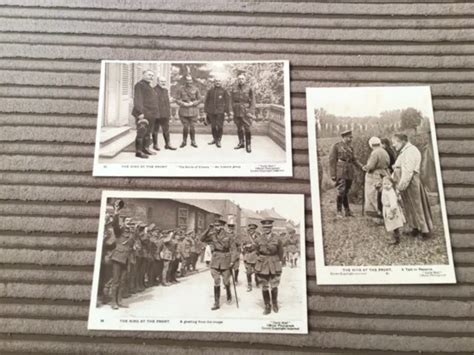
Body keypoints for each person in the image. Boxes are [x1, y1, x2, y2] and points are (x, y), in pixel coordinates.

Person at [391, 133, 434, 239]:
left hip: (411, 182)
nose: (393, 145)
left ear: (402, 141)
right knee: (410, 207)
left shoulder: (410, 151)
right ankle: (415, 228)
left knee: (417, 206)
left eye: (395, 142)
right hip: (408, 182)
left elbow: (408, 171)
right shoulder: (405, 151)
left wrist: (401, 186)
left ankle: (424, 231)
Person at [200, 218, 238, 311]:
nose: (217, 227)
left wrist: (232, 261)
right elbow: (202, 238)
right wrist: (208, 229)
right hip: (215, 259)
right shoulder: (212, 235)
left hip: (226, 259)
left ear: (222, 226)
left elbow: (233, 249)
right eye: (215, 226)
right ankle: (216, 303)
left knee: (225, 281)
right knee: (216, 281)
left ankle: (228, 292)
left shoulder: (228, 236)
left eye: (218, 225)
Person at [328, 130, 363, 218]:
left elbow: (354, 159)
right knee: (341, 190)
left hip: (349, 170)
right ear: (343, 137)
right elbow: (332, 161)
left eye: (351, 137)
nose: (350, 139)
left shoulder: (351, 147)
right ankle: (339, 211)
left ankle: (347, 211)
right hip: (341, 170)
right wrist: (333, 174)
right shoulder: (336, 146)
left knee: (346, 191)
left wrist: (362, 167)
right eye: (349, 137)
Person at [109, 202, 135, 310]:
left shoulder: (132, 234)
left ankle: (119, 300)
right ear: (124, 222)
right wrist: (116, 213)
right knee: (116, 281)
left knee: (123, 280)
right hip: (118, 258)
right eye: (127, 221)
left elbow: (132, 245)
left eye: (130, 221)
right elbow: (115, 225)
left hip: (126, 259)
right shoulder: (120, 231)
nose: (129, 223)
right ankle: (113, 302)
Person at [255, 219, 284, 315]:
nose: (266, 229)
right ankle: (267, 305)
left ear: (271, 227)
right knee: (264, 286)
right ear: (262, 228)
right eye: (264, 227)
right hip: (262, 264)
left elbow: (280, 252)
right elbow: (256, 251)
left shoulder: (277, 238)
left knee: (274, 284)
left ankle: (275, 303)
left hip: (274, 263)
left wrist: (277, 261)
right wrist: (260, 259)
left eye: (268, 227)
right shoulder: (258, 239)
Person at [132, 70, 159, 158]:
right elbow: (138, 99)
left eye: (152, 75)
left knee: (148, 132)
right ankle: (139, 152)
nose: (151, 77)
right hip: (143, 113)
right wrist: (140, 113)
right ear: (143, 75)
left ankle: (146, 149)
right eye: (149, 75)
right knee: (141, 132)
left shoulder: (149, 86)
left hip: (151, 114)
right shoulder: (139, 85)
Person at [362, 136, 390, 222]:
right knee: (383, 194)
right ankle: (385, 214)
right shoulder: (384, 151)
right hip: (384, 173)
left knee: (373, 194)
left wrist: (365, 168)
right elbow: (388, 163)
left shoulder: (375, 153)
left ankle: (377, 216)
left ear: (371, 144)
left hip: (375, 175)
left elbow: (371, 166)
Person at [230, 73, 256, 153]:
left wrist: (250, 112)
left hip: (245, 111)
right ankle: (241, 143)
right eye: (239, 79)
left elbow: (253, 102)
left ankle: (248, 145)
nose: (241, 80)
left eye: (242, 79)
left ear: (245, 80)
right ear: (237, 80)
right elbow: (230, 100)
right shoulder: (234, 88)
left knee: (247, 128)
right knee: (239, 128)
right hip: (236, 110)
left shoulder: (249, 88)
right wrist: (231, 110)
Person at [204, 77, 231, 148]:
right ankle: (215, 139)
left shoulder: (224, 91)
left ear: (221, 82)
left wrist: (227, 112)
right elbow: (206, 101)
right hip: (211, 111)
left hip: (220, 111)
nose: (217, 82)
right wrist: (206, 111)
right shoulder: (210, 91)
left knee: (219, 126)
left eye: (219, 81)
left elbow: (227, 102)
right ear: (214, 82)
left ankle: (219, 140)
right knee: (213, 126)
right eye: (216, 81)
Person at [175, 75, 201, 148]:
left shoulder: (196, 89)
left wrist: (193, 103)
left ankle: (193, 141)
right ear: (185, 81)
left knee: (192, 127)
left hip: (193, 111)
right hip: (184, 111)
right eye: (187, 80)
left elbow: (200, 99)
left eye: (190, 80)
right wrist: (183, 103)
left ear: (192, 81)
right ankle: (184, 141)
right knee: (185, 127)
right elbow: (177, 99)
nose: (189, 82)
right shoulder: (180, 89)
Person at [381, 176, 406, 245]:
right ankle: (394, 237)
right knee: (391, 224)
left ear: (392, 184)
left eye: (388, 184)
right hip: (387, 208)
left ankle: (396, 239)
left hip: (391, 209)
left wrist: (392, 212)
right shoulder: (385, 190)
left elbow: (393, 203)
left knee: (394, 224)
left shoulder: (390, 192)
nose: (386, 186)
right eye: (384, 184)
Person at [153, 78, 176, 151]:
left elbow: (167, 104)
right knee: (155, 130)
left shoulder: (165, 90)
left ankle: (168, 144)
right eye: (162, 81)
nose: (163, 83)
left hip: (165, 114)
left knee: (166, 130)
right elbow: (152, 103)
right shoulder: (153, 90)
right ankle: (155, 144)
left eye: (164, 81)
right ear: (157, 82)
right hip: (156, 114)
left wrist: (169, 114)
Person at [241, 223, 260, 292]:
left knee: (257, 271)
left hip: (256, 256)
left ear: (255, 229)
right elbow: (242, 246)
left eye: (253, 229)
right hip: (248, 256)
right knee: (248, 272)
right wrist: (245, 247)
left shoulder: (258, 236)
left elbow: (260, 246)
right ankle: (249, 285)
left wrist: (254, 246)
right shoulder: (246, 237)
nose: (251, 230)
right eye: (250, 229)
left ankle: (257, 281)